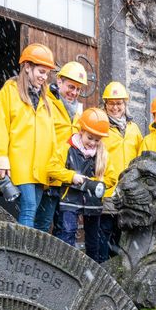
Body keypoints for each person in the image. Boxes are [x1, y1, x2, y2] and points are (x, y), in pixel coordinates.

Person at [0, 43, 57, 227]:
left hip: (40, 168)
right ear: (27, 67)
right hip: (20, 164)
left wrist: (53, 165)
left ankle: (28, 251)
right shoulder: (8, 93)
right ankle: (25, 254)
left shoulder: (46, 101)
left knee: (35, 211)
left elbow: (52, 137)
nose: (44, 77)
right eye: (41, 71)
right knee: (28, 208)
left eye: (47, 73)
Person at [47, 108, 117, 262]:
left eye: (97, 140)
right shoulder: (67, 148)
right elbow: (52, 168)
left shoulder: (103, 155)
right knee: (67, 233)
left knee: (93, 240)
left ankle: (92, 271)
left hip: (93, 201)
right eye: (89, 138)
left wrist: (97, 183)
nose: (93, 143)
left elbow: (112, 177)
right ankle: (65, 266)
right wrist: (72, 176)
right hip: (70, 199)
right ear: (81, 131)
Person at [34, 61, 88, 234]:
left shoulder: (77, 113)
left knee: (64, 229)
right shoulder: (45, 102)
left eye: (78, 89)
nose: (74, 92)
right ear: (59, 81)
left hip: (68, 179)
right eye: (71, 87)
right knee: (41, 226)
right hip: (47, 177)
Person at [93, 82, 143, 262]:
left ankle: (115, 273)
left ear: (125, 104)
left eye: (119, 103)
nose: (115, 107)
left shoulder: (134, 129)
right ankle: (101, 270)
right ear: (105, 104)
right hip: (105, 188)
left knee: (121, 236)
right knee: (103, 233)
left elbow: (139, 158)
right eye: (111, 103)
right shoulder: (99, 124)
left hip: (126, 191)